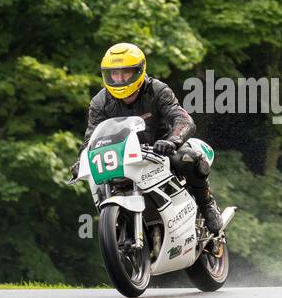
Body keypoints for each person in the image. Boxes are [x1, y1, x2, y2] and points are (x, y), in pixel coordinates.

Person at [74, 42, 225, 234]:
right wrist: (82, 160)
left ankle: (206, 204)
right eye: (114, 74)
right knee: (98, 183)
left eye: (125, 73)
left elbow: (183, 119)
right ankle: (118, 229)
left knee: (191, 159)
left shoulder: (157, 90)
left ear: (138, 71)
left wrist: (172, 141)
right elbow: (91, 136)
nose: (119, 79)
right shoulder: (100, 102)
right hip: (123, 157)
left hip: (160, 149)